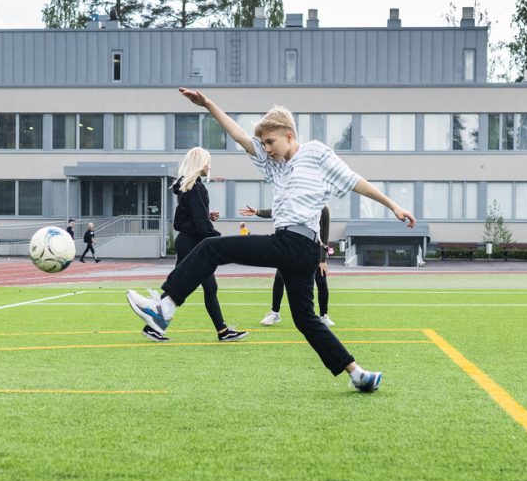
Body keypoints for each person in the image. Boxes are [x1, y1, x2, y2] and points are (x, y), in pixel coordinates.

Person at [126, 90, 415, 392]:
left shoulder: (315, 153)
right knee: (305, 319)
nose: (266, 148)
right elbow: (240, 137)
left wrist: (393, 206)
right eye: (263, 144)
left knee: (211, 248)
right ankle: (357, 373)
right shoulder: (274, 165)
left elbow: (355, 180)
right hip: (298, 249)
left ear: (289, 135)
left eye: (270, 142)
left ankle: (165, 308)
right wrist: (209, 105)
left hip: (298, 244)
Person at [160, 146, 245, 343]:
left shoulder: (189, 186)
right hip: (193, 243)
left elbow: (193, 216)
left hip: (188, 242)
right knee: (182, 286)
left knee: (188, 285)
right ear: (200, 163)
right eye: (208, 161)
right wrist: (218, 240)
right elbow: (199, 223)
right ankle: (222, 331)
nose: (210, 165)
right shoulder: (196, 187)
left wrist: (207, 215)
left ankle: (222, 331)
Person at [256, 204, 332, 327]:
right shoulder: (296, 202)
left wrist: (322, 259)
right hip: (293, 248)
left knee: (321, 279)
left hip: (313, 249)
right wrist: (258, 211)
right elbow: (278, 211)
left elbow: (325, 233)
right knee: (280, 277)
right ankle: (274, 313)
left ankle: (324, 315)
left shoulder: (323, 208)